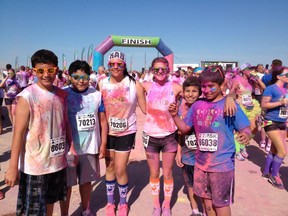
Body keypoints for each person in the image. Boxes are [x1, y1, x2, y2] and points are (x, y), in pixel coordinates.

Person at [169, 66, 251, 216]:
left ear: (221, 86)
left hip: (222, 165)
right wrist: (174, 116)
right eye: (203, 87)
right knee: (207, 206)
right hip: (201, 165)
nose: (206, 90)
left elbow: (246, 128)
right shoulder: (197, 105)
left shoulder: (230, 105)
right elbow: (185, 128)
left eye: (211, 86)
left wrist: (245, 135)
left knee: (220, 205)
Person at [4, 49, 77, 216]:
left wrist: (71, 147)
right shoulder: (27, 96)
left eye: (50, 70)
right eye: (41, 71)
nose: (46, 74)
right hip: (35, 165)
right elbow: (18, 133)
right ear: (34, 71)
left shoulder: (62, 95)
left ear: (56, 70)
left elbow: (65, 124)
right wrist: (12, 166)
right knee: (34, 211)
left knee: (51, 202)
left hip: (57, 162)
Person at [98, 51, 146, 216]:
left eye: (119, 64)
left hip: (127, 131)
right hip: (107, 132)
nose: (116, 67)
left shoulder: (134, 84)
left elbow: (146, 108)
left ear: (124, 66)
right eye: (112, 64)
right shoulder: (102, 83)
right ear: (108, 66)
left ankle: (123, 204)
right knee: (109, 167)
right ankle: (111, 203)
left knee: (120, 169)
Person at [60, 60, 108, 216]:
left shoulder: (96, 94)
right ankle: (64, 213)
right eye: (76, 77)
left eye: (84, 77)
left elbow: (102, 121)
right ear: (70, 77)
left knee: (86, 182)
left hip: (90, 146)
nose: (81, 81)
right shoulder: (63, 93)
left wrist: (103, 144)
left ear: (90, 77)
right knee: (66, 184)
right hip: (68, 148)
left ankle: (86, 210)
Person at [141, 57, 183, 216]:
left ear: (168, 71)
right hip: (150, 137)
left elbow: (194, 95)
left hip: (169, 136)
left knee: (167, 173)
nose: (160, 72)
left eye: (163, 69)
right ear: (152, 70)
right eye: (156, 69)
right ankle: (156, 205)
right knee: (153, 174)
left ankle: (166, 206)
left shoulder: (176, 87)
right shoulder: (145, 86)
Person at [175, 76, 204, 216]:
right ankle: (195, 210)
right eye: (187, 91)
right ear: (183, 92)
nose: (190, 94)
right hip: (187, 155)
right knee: (190, 184)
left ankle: (206, 209)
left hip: (204, 156)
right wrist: (178, 152)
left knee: (204, 185)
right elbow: (180, 134)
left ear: (200, 92)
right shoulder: (180, 109)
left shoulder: (204, 107)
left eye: (194, 91)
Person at [261, 66, 288, 189]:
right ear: (278, 76)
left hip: (282, 122)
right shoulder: (271, 89)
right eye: (286, 75)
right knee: (283, 151)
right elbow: (264, 105)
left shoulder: (286, 89)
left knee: (274, 149)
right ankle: (274, 175)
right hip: (271, 122)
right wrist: (280, 103)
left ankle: (266, 172)